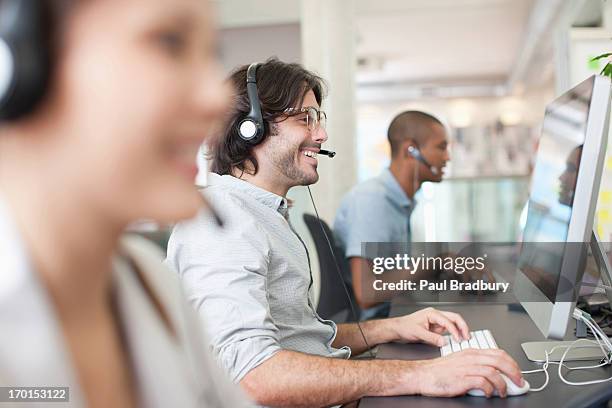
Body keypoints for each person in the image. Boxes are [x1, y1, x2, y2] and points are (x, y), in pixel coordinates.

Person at [166, 58, 525, 407]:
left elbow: (303, 336)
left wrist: (395, 328)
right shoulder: (220, 223)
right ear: (252, 127)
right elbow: (253, 374)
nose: (321, 134)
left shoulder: (261, 215)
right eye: (306, 119)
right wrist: (420, 375)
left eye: (318, 120)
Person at [0, 1, 249, 407]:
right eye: (170, 42)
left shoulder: (154, 285)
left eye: (211, 54)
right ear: (17, 60)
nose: (217, 98)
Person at [333, 111, 449, 318]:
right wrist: (434, 264)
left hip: (393, 312)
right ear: (410, 150)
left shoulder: (399, 200)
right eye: (441, 147)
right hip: (377, 324)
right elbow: (367, 294)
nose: (447, 157)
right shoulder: (372, 200)